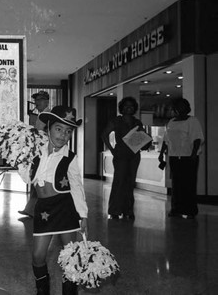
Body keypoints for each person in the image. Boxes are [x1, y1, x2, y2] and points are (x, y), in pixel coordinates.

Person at [30, 106, 87, 295]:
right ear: (49, 128)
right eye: (58, 129)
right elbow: (26, 178)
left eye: (68, 131)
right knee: (38, 255)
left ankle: (70, 292)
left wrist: (83, 215)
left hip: (65, 210)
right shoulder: (35, 151)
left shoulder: (70, 157)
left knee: (69, 256)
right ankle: (42, 289)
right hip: (43, 208)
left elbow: (77, 187)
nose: (63, 135)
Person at [101, 96, 148, 220]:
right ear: (121, 108)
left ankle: (128, 210)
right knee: (119, 182)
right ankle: (114, 210)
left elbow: (141, 138)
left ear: (135, 108)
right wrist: (112, 150)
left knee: (130, 182)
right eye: (126, 105)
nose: (129, 108)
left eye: (131, 106)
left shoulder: (137, 122)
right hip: (120, 155)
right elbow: (104, 134)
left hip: (134, 155)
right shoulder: (116, 121)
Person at [158, 98, 203, 219]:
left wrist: (193, 154)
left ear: (187, 107)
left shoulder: (192, 121)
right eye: (177, 106)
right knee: (176, 184)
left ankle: (190, 210)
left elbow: (197, 138)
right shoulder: (172, 121)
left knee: (189, 184)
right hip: (174, 156)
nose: (180, 108)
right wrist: (161, 153)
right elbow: (166, 140)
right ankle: (176, 209)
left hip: (188, 157)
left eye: (182, 106)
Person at [19, 90, 51, 218]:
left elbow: (40, 133)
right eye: (36, 100)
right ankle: (31, 209)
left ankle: (35, 209)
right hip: (39, 151)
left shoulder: (47, 115)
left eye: (39, 100)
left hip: (44, 152)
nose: (36, 103)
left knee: (39, 179)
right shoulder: (41, 114)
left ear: (46, 101)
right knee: (36, 179)